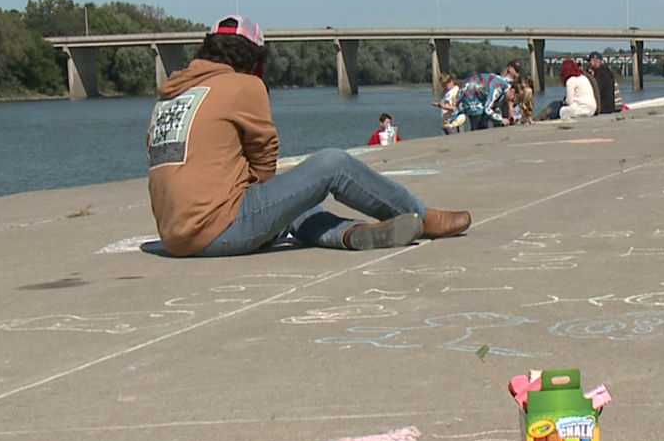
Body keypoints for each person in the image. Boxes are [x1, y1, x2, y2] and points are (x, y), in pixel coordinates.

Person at [146, 14, 471, 258]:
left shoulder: (172, 95)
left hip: (176, 235)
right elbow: (264, 168)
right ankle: (422, 216)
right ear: (254, 59)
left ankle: (351, 234)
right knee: (333, 164)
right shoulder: (244, 85)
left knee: (292, 203)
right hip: (217, 232)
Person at [449, 60, 522, 131]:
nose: (512, 101)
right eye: (513, 99)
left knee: (483, 121)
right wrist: (501, 120)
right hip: (471, 93)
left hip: (476, 92)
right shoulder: (498, 88)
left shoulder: (504, 87)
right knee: (477, 121)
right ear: (512, 91)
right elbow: (487, 109)